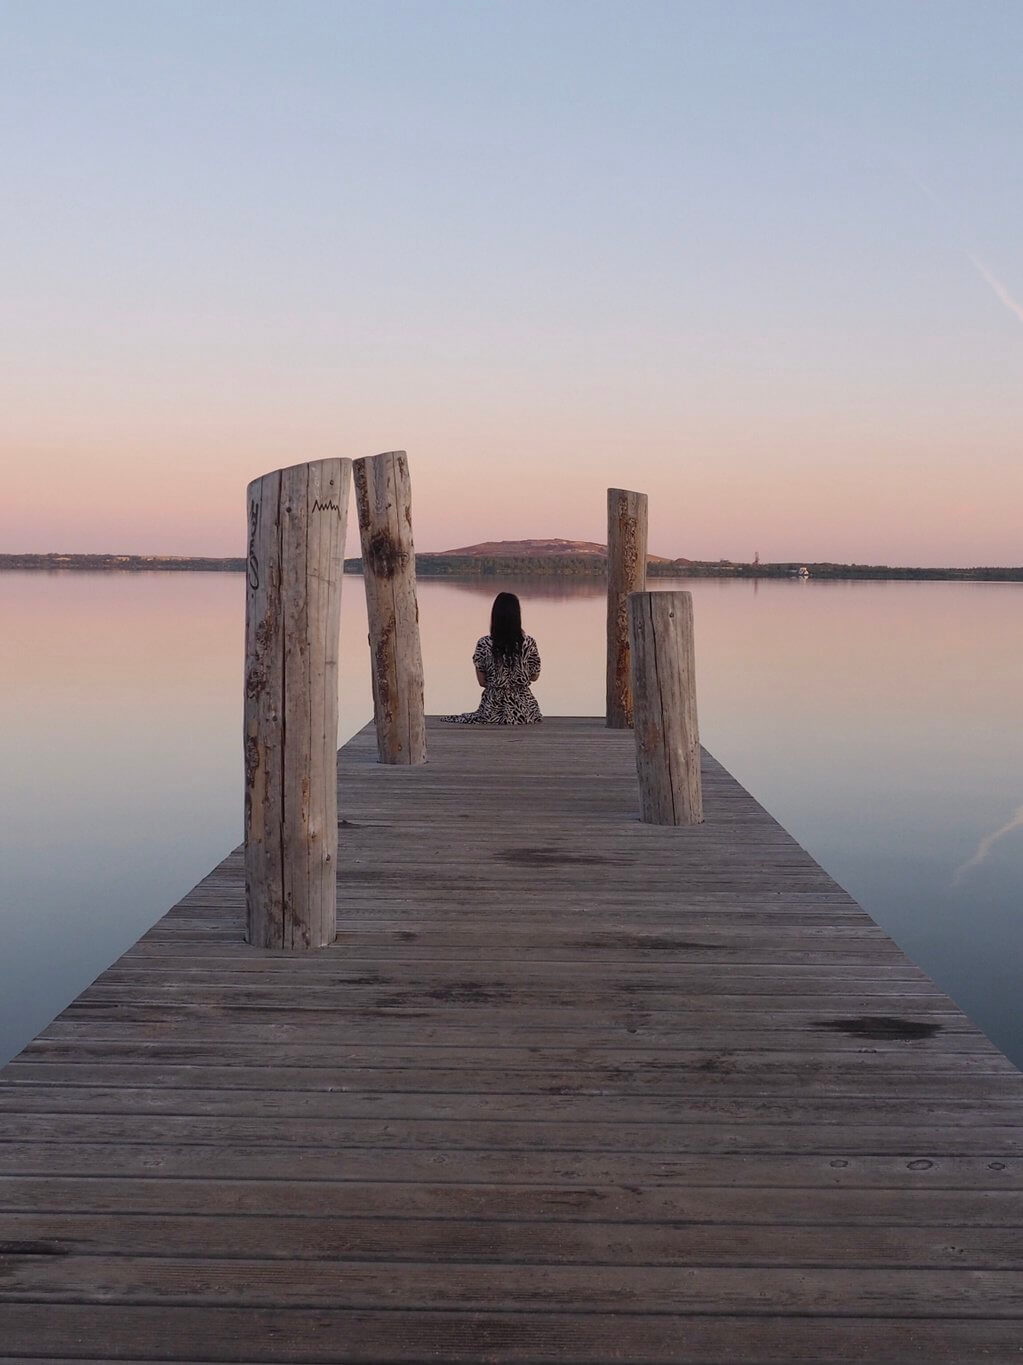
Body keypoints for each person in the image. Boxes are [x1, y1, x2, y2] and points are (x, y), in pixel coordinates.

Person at [442, 591, 542, 725]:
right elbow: (535, 676)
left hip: (492, 710)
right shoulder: (529, 643)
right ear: (517, 616)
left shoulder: (484, 644)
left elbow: (482, 682)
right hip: (525, 711)